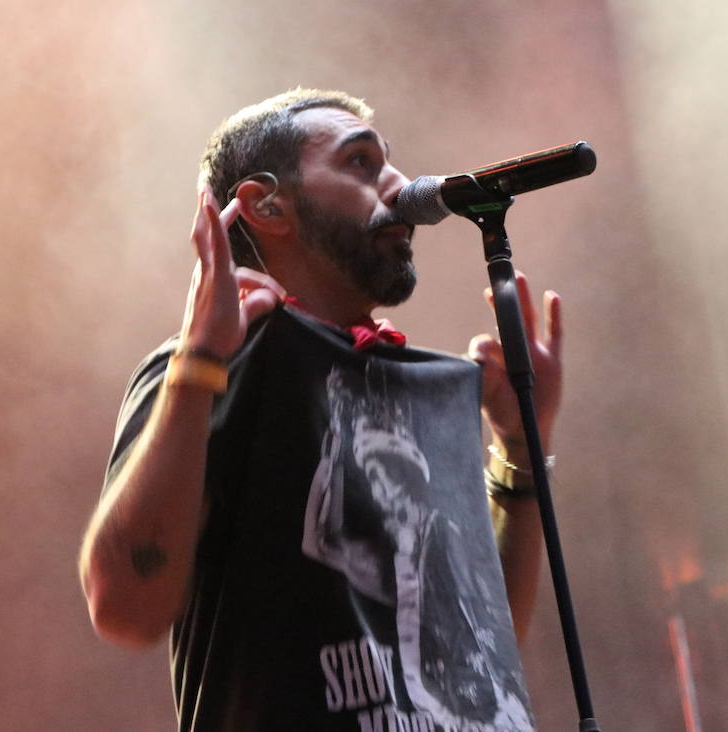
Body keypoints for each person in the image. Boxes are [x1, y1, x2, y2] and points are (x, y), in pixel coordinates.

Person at [78, 89, 563, 731]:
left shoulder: (425, 385)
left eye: (390, 163)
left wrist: (524, 445)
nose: (399, 186)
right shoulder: (218, 366)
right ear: (266, 204)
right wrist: (196, 364)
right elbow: (124, 607)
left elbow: (487, 646)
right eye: (360, 163)